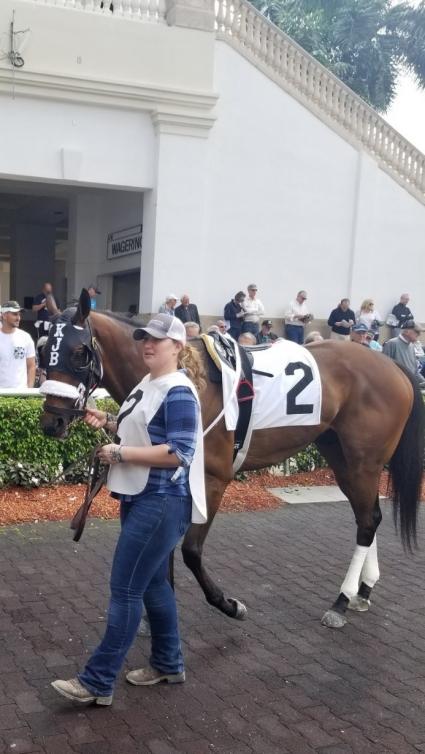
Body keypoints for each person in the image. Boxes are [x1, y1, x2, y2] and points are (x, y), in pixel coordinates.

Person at [51, 313, 207, 705]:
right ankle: (168, 663)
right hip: (143, 499)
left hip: (162, 502)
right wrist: (107, 421)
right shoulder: (149, 384)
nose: (147, 344)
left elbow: (179, 452)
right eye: (143, 338)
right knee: (153, 584)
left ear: (178, 347)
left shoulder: (178, 390)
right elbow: (139, 429)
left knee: (124, 590)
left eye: (157, 339)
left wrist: (120, 453)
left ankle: (98, 681)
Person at [0, 301, 36, 388]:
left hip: (21, 393)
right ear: (4, 316)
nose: (18, 318)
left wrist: (29, 391)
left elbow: (31, 366)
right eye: (15, 314)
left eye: (19, 315)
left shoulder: (25, 337)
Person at [383, 320, 425, 385]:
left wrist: (423, 381)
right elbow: (384, 367)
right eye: (417, 332)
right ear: (407, 331)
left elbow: (415, 372)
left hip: (410, 384)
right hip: (397, 385)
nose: (419, 334)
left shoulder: (411, 346)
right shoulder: (392, 343)